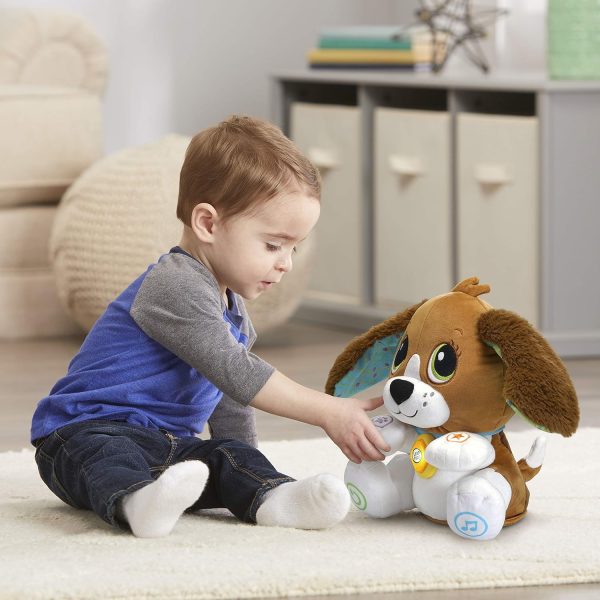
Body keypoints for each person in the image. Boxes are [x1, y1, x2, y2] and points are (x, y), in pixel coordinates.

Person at [30, 115, 389, 538]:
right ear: (208, 224)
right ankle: (135, 501)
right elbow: (237, 373)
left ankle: (273, 498)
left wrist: (248, 466)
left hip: (167, 448)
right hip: (83, 432)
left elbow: (231, 400)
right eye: (273, 244)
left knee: (223, 457)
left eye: (293, 248)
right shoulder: (175, 285)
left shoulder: (234, 313)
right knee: (108, 454)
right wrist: (327, 410)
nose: (285, 263)